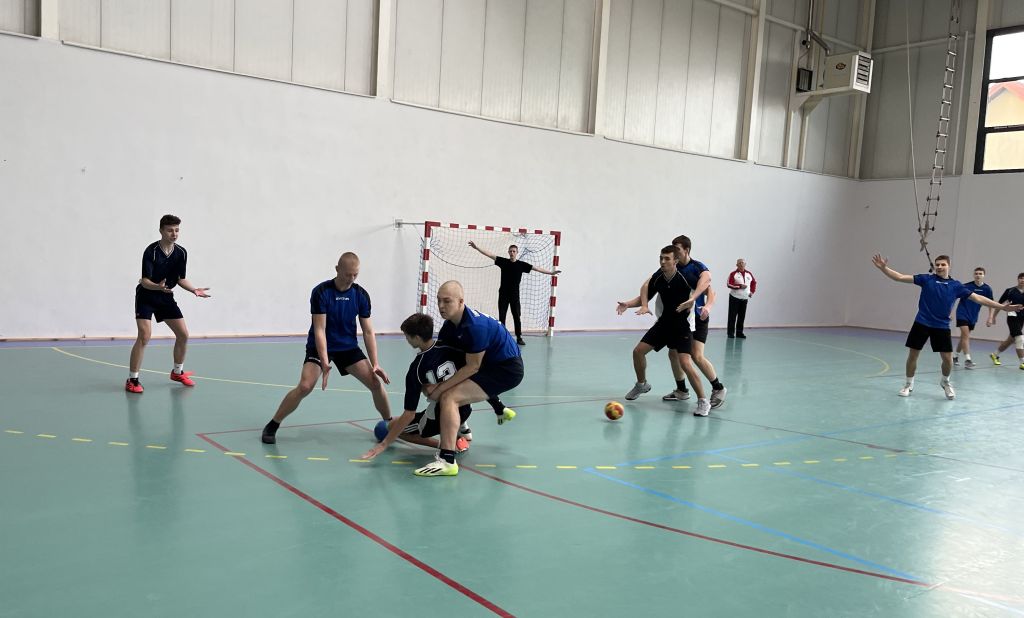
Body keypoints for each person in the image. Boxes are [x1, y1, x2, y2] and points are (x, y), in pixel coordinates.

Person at [261, 252, 392, 444]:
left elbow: (368, 331)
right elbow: (320, 330)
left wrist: (376, 363)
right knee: (305, 386)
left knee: (375, 383)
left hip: (347, 347)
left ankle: (390, 425)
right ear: (337, 269)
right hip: (319, 346)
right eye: (347, 274)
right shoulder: (321, 292)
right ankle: (273, 425)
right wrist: (324, 361)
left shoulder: (361, 295)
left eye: (355, 274)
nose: (351, 279)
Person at [409, 281, 524, 477]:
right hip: (490, 363)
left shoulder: (474, 327)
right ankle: (478, 420)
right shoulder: (450, 326)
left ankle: (447, 460)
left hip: (506, 369)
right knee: (454, 385)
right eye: (439, 301)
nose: (441, 306)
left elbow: (473, 367)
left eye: (447, 301)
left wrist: (438, 390)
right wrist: (427, 382)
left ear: (461, 302)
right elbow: (445, 358)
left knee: (450, 397)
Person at [871, 253, 1020, 399]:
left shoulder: (956, 286)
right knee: (913, 355)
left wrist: (1002, 307)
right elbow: (900, 277)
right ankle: (908, 384)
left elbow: (978, 298)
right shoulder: (926, 279)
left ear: (949, 266)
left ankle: (945, 382)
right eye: (937, 265)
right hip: (921, 323)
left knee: (948, 360)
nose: (940, 267)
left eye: (943, 264)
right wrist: (884, 268)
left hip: (941, 326)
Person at [623, 235, 727, 409]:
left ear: (686, 251)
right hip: (672, 319)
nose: (673, 252)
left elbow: (709, 288)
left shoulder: (695, 269)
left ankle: (718, 388)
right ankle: (681, 390)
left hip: (696, 317)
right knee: (673, 354)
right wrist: (633, 304)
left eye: (677, 249)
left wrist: (707, 307)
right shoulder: (665, 271)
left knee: (695, 356)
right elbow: (646, 287)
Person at [361, 314, 473, 459]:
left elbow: (409, 414)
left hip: (440, 417)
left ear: (417, 338)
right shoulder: (452, 348)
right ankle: (462, 426)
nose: (406, 340)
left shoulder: (417, 368)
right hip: (465, 407)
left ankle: (447, 445)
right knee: (398, 420)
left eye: (407, 336)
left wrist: (383, 444)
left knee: (391, 428)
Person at [126, 214, 211, 394]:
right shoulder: (151, 251)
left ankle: (177, 372)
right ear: (161, 231)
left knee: (183, 334)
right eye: (170, 230)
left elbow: (180, 279)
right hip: (146, 296)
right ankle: (132, 380)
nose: (174, 234)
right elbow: (144, 281)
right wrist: (157, 286)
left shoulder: (181, 253)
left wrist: (194, 290)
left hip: (165, 296)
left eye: (177, 230)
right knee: (144, 336)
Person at [467, 241, 561, 345]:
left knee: (516, 316)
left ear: (517, 252)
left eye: (514, 251)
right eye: (510, 251)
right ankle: (502, 336)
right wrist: (477, 247)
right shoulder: (503, 262)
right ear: (508, 252)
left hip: (514, 296)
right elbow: (489, 254)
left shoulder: (521, 265)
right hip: (503, 294)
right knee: (502, 316)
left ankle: (519, 337)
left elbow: (537, 268)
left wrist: (551, 273)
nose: (512, 253)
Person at [953, 266, 992, 369]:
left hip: (973, 316)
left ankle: (955, 357)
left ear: (984, 275)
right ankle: (968, 360)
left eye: (980, 274)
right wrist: (949, 312)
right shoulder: (966, 286)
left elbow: (991, 303)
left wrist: (990, 317)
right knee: (966, 335)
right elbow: (954, 297)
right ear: (974, 275)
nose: (978, 275)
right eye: (976, 273)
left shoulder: (987, 289)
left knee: (964, 337)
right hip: (962, 313)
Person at [987, 272, 1024, 370]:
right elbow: (999, 304)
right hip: (1012, 317)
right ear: (1018, 279)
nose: (1022, 280)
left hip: (1021, 319)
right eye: (1021, 278)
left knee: (1011, 340)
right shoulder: (1010, 291)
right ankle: (1022, 362)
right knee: (1020, 338)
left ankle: (994, 355)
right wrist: (993, 316)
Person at [727, 258, 757, 339]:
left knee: (741, 316)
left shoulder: (749, 274)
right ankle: (730, 333)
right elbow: (729, 284)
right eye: (739, 263)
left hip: (744, 299)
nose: (741, 264)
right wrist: (740, 286)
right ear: (736, 265)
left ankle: (739, 333)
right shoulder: (733, 274)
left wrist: (752, 292)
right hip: (734, 298)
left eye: (742, 263)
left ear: (745, 264)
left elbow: (754, 283)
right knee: (732, 316)